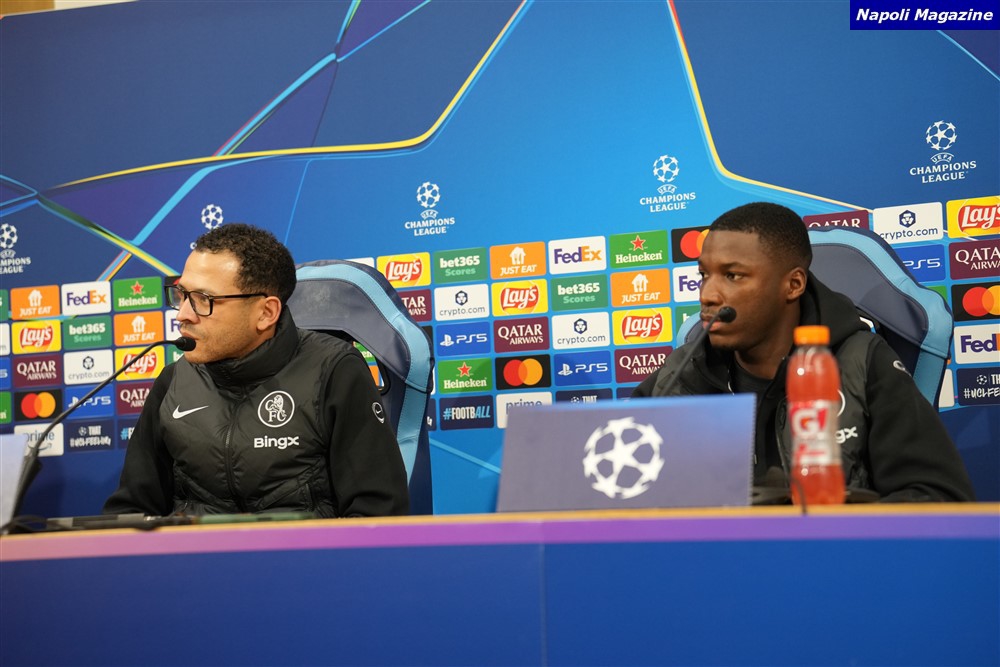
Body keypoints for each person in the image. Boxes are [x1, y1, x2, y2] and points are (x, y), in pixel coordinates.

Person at [633, 202, 974, 502]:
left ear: (793, 285)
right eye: (704, 275)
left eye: (733, 276)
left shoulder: (863, 363)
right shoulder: (681, 374)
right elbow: (622, 492)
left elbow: (939, 495)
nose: (708, 294)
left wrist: (828, 530)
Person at [105, 223, 410, 517]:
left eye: (203, 299)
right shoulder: (173, 382)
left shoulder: (335, 371)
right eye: (182, 295)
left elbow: (377, 515)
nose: (183, 315)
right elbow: (131, 512)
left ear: (266, 312)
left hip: (304, 553)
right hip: (195, 553)